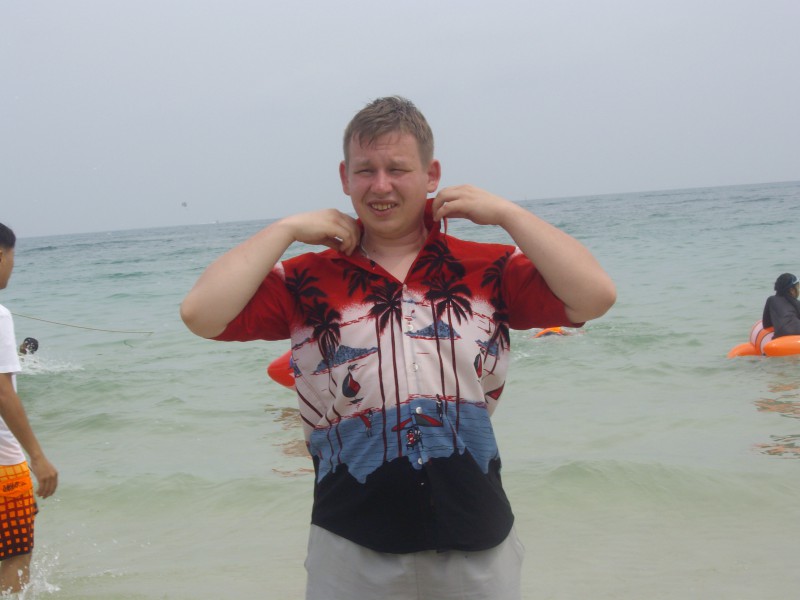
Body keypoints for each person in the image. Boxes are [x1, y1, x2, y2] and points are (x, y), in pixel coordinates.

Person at [180, 96, 616, 599]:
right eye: (365, 170)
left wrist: (507, 214)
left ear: (432, 175)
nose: (381, 185)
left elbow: (595, 296)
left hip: (476, 532)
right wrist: (286, 230)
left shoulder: (487, 268)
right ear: (344, 178)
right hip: (350, 540)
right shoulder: (306, 280)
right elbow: (201, 314)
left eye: (398, 169)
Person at [0, 223, 58, 595]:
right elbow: (3, 392)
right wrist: (37, 457)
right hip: (4, 465)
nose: (13, 264)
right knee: (16, 556)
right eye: (12, 256)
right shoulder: (0, 316)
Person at [762, 272, 800, 338]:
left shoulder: (771, 300)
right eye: (798, 287)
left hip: (780, 340)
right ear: (792, 290)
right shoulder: (797, 303)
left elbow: (766, 324)